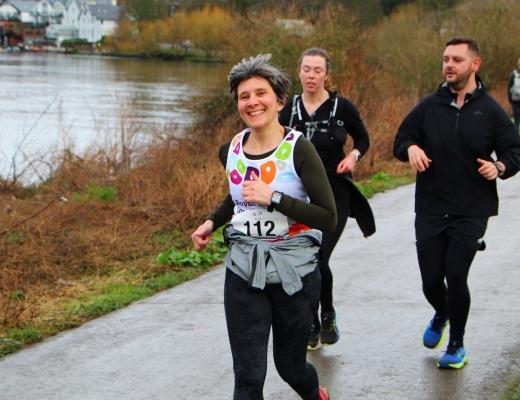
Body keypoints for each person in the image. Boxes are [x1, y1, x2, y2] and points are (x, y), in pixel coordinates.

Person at [191, 54, 336, 400]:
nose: (253, 102)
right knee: (248, 379)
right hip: (244, 269)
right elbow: (237, 198)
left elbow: (327, 216)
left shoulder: (298, 149)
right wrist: (212, 221)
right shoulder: (232, 149)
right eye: (244, 96)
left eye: (261, 93)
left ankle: (315, 394)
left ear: (279, 100)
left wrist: (276, 198)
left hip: (294, 273)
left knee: (290, 367)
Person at [393, 37, 520, 369]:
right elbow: (402, 137)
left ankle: (456, 346)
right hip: (432, 205)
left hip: (472, 208)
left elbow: (514, 151)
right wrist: (411, 149)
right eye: (446, 59)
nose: (449, 65)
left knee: (456, 275)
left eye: (457, 60)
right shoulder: (428, 106)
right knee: (431, 280)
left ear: (474, 65)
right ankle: (442, 312)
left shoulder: (490, 110)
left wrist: (500, 166)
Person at [279, 48, 375, 350]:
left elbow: (363, 138)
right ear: (299, 71)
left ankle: (326, 313)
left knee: (319, 256)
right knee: (304, 258)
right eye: (306, 69)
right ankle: (312, 322)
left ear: (326, 74)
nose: (311, 75)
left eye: (317, 70)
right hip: (299, 194)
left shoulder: (341, 107)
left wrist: (354, 156)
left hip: (335, 193)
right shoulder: (288, 110)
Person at [508, 57, 520, 134]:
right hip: (515, 100)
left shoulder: (513, 74)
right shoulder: (513, 74)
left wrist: (510, 99)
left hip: (514, 100)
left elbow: (509, 88)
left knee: (517, 119)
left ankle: (515, 137)